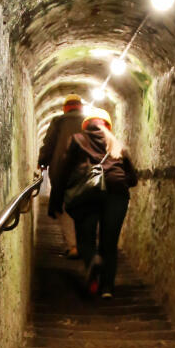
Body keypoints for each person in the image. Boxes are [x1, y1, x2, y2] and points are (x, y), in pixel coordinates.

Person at [53, 109, 138, 298]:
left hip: (87, 193)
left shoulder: (77, 140)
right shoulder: (117, 145)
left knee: (85, 236)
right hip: (116, 193)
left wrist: (56, 199)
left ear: (86, 126)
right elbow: (132, 179)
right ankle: (107, 288)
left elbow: (64, 170)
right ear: (108, 126)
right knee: (110, 241)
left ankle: (92, 261)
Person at [38, 95, 86, 255]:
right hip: (85, 172)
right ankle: (84, 243)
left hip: (60, 171)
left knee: (64, 207)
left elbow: (49, 143)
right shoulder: (89, 122)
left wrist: (43, 162)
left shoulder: (58, 121)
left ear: (65, 108)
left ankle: (73, 246)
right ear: (81, 107)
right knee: (83, 206)